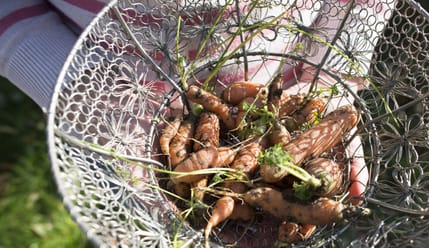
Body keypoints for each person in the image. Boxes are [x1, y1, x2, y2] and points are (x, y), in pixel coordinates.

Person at [1, 0, 396, 201]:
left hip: (284, 81)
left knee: (231, 215)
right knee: (156, 205)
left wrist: (328, 72)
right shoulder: (99, 100)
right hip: (112, 97)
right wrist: (83, 91)